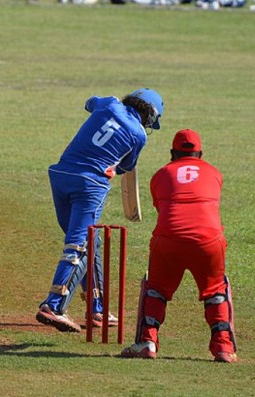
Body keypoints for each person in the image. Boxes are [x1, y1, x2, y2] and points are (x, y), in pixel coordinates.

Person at [36, 88, 164, 333]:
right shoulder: (139, 135)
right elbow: (125, 166)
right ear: (149, 115)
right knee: (79, 245)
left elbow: (89, 103)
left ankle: (98, 308)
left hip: (61, 175)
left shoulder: (109, 103)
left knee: (90, 241)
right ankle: (53, 306)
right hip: (90, 184)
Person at [121, 129, 237, 363]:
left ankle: (147, 342)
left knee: (156, 288)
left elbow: (162, 208)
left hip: (169, 238)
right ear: (200, 154)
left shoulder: (161, 174)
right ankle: (223, 347)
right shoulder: (214, 173)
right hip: (208, 240)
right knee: (215, 290)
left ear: (172, 153)